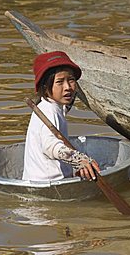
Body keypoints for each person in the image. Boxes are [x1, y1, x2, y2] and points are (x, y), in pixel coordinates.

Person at [22, 51, 100, 182]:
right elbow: (50, 146)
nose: (68, 87)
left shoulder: (52, 106)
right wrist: (78, 159)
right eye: (59, 82)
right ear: (46, 86)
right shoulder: (49, 111)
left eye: (71, 80)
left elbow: (66, 107)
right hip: (47, 183)